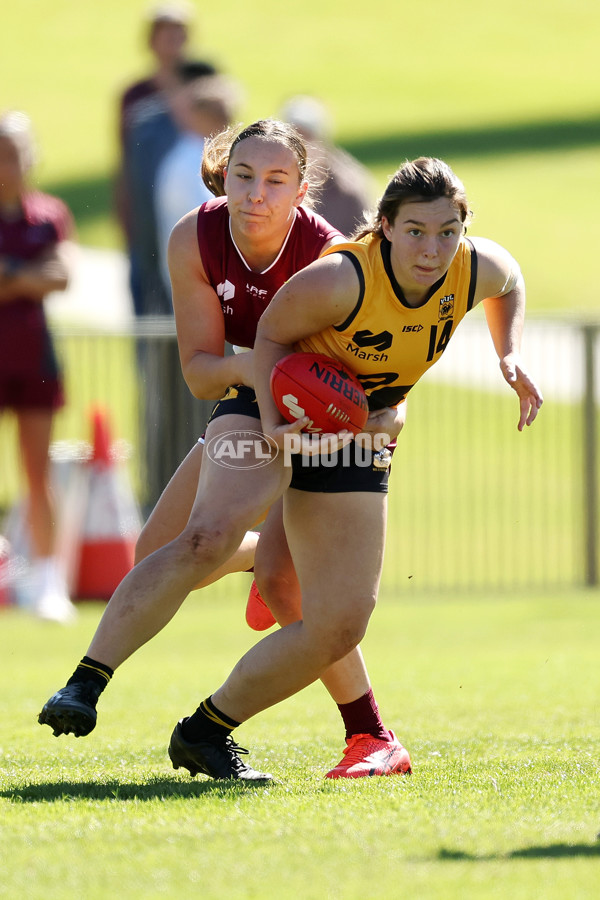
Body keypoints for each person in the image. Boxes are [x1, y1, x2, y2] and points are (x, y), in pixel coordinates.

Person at [39, 120, 411, 781]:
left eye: (274, 182)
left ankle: (87, 685)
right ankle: (257, 561)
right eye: (243, 176)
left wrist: (376, 411)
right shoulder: (196, 236)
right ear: (223, 175)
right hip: (256, 386)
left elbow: (364, 370)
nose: (255, 195)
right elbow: (203, 371)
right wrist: (260, 373)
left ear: (302, 190)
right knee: (157, 555)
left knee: (286, 585)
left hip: (326, 415)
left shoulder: (328, 257)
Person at [156, 156, 543, 783]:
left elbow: (512, 279)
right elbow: (271, 337)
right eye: (416, 230)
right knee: (172, 559)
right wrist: (285, 421)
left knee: (336, 620)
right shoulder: (340, 279)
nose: (433, 248)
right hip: (299, 419)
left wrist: (511, 354)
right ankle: (258, 576)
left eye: (448, 231)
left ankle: (209, 726)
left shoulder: (475, 265)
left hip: (362, 433)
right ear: (384, 226)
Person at [0, 111, 77, 624]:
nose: (10, 162)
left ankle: (49, 582)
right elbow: (42, 274)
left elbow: (60, 276)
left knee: (37, 472)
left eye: (17, 151)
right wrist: (29, 275)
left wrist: (11, 274)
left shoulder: (48, 214)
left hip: (33, 356)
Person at [154, 73, 241, 297]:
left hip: (193, 269)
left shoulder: (185, 155)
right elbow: (210, 217)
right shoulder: (194, 161)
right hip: (201, 273)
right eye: (221, 115)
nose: (227, 123)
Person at [279, 94, 376, 238]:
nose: (301, 146)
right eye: (294, 137)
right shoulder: (269, 176)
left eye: (307, 137)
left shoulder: (348, 188)